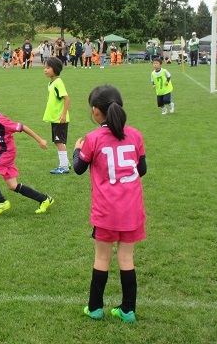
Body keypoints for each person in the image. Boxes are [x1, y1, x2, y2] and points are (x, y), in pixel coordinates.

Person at [73, 85, 147, 323]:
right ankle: (128, 310)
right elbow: (142, 169)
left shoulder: (93, 139)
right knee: (126, 259)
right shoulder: (135, 135)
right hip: (132, 209)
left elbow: (78, 168)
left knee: (102, 258)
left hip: (106, 210)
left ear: (96, 111)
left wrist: (77, 150)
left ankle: (95, 308)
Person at [43, 57, 71, 174]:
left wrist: (63, 115)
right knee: (59, 141)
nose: (45, 70)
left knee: (59, 141)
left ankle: (63, 166)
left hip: (59, 118)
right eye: (44, 67)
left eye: (48, 68)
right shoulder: (52, 83)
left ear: (55, 69)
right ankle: (66, 163)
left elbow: (67, 98)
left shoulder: (58, 83)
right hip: (55, 118)